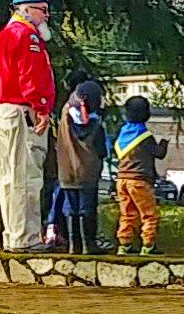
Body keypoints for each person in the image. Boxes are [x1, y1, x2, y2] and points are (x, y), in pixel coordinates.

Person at [0, 0, 56, 253]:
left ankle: (13, 234)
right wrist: (41, 108)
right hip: (21, 111)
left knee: (9, 176)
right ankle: (25, 238)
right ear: (25, 9)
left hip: (4, 110)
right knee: (26, 176)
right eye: (42, 9)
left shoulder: (3, 36)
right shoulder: (28, 37)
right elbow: (31, 76)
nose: (46, 15)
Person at [56, 80, 108, 255]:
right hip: (88, 173)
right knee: (88, 208)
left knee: (71, 208)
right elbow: (102, 151)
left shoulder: (65, 117)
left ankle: (73, 245)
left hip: (66, 171)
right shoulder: (96, 126)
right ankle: (89, 245)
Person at [114, 96, 169, 256]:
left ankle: (124, 244)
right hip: (140, 181)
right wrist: (164, 143)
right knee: (148, 214)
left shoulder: (122, 135)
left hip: (122, 180)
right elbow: (159, 154)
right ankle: (148, 245)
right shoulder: (145, 137)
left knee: (127, 213)